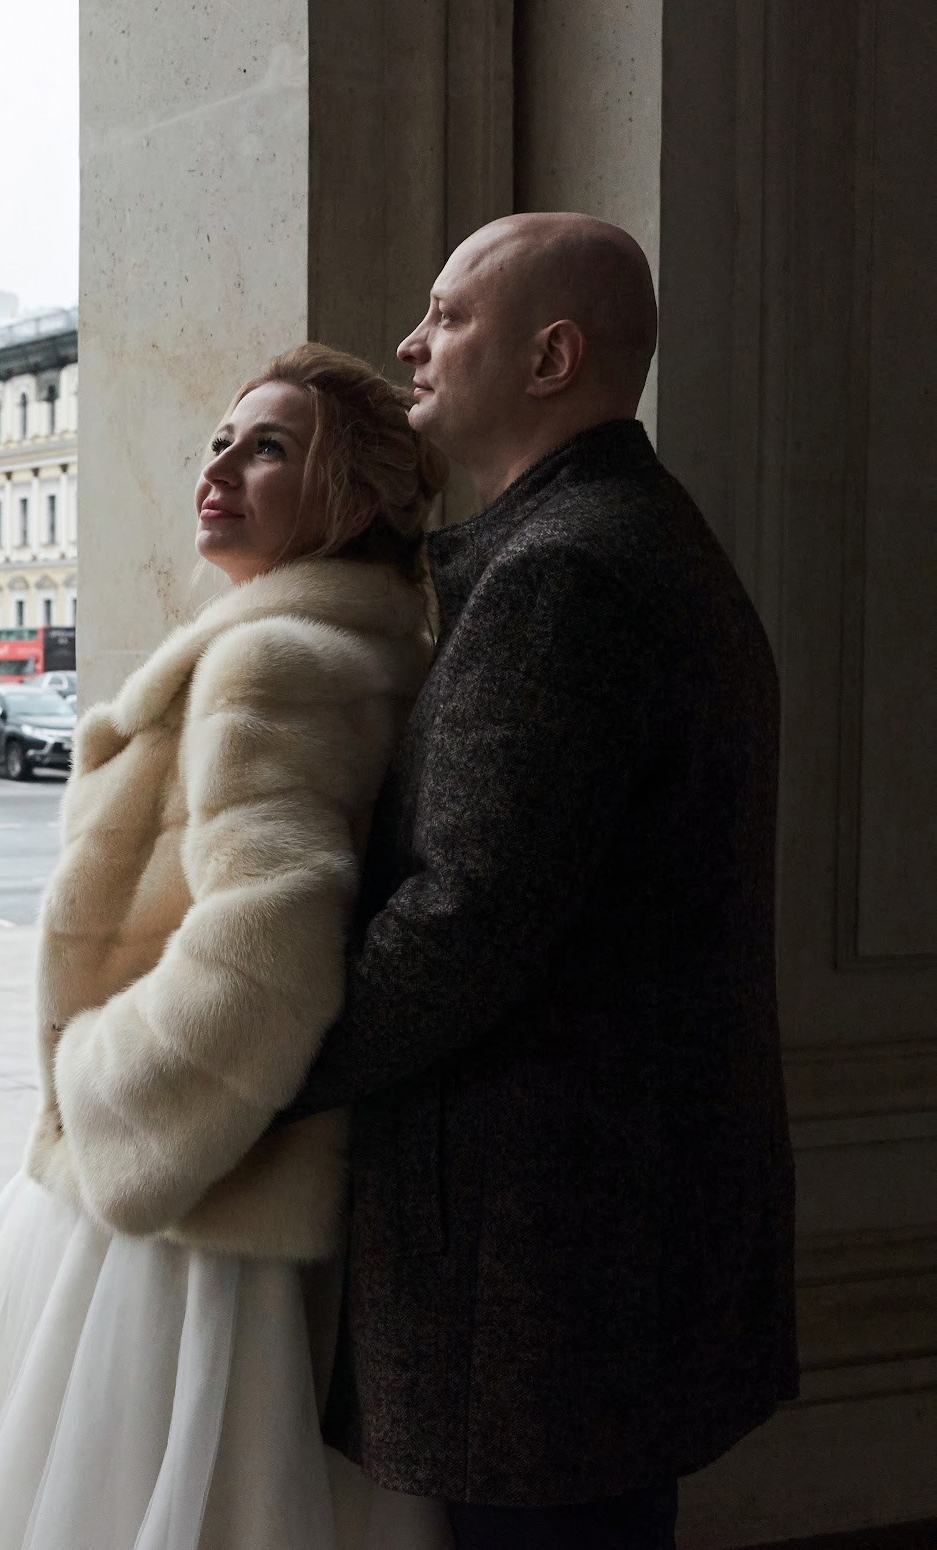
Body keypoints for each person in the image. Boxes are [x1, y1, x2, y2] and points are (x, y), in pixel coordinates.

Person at [0, 344, 447, 1548]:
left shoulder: (272, 660)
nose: (219, 466)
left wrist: (112, 1089)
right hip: (228, 1181)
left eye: (270, 448)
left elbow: (270, 936)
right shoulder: (347, 645)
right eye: (221, 438)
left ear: (358, 500)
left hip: (192, 1203)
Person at [282, 214, 793, 1547]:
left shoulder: (564, 573)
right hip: (606, 1240)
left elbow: (463, 921)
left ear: (552, 356)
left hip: (540, 1258)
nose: (411, 340)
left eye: (448, 315)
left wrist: (261, 1062)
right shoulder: (622, 537)